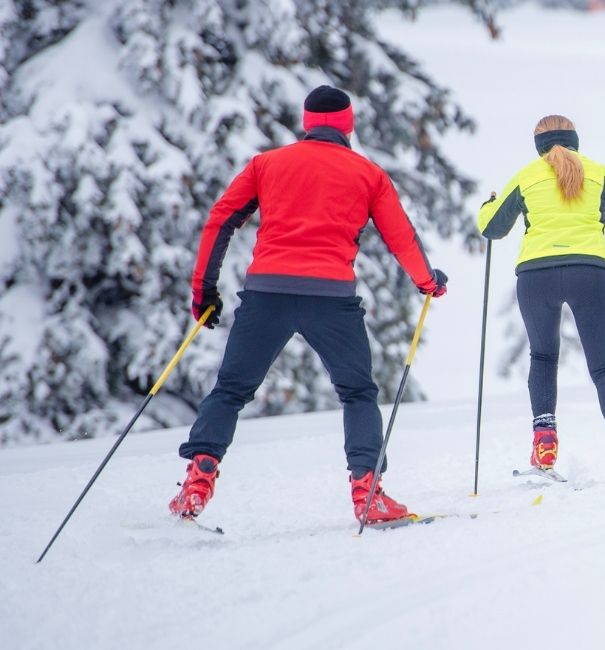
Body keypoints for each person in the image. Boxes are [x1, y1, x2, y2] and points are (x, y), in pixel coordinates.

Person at [170, 86, 449, 524]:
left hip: (267, 294)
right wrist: (428, 282)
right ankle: (367, 493)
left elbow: (221, 220)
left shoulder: (266, 164)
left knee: (230, 390)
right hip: (332, 299)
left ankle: (197, 482)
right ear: (348, 124)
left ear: (306, 122)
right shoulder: (369, 174)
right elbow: (402, 237)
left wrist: (203, 291)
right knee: (357, 393)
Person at [477, 115, 605, 476]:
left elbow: (492, 228)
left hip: (535, 276)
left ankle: (544, 446)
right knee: (604, 366)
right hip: (589, 274)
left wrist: (488, 204)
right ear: (575, 139)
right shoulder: (596, 172)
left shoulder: (526, 177)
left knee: (543, 357)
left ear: (538, 145)